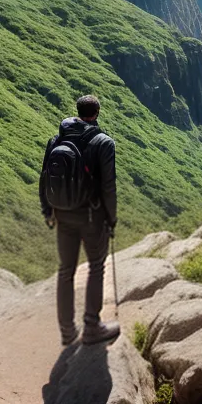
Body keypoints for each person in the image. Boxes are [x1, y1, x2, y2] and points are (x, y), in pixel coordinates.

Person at [39, 94, 120, 347]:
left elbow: (44, 179)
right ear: (96, 113)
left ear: (78, 112)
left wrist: (48, 211)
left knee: (66, 271)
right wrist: (112, 218)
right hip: (92, 217)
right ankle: (92, 327)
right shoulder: (103, 142)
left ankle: (67, 331)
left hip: (63, 215)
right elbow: (108, 187)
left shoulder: (56, 140)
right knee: (96, 267)